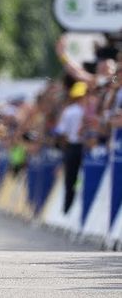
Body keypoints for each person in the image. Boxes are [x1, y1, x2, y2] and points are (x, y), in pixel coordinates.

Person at [53, 81, 89, 213]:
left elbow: (61, 132)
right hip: (84, 147)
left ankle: (68, 208)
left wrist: (65, 148)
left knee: (70, 179)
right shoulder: (84, 111)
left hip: (73, 147)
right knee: (81, 177)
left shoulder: (69, 111)